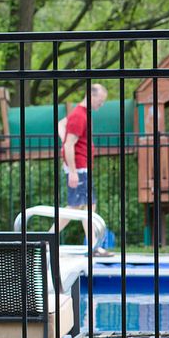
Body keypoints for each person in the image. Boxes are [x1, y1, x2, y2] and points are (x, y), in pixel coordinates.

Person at [61, 83, 113, 255]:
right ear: (91, 96)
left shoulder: (81, 114)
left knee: (85, 206)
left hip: (81, 167)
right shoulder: (79, 115)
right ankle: (47, 239)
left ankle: (93, 245)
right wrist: (73, 171)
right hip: (79, 168)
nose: (102, 104)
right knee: (77, 207)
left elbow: (61, 124)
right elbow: (69, 145)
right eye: (101, 100)